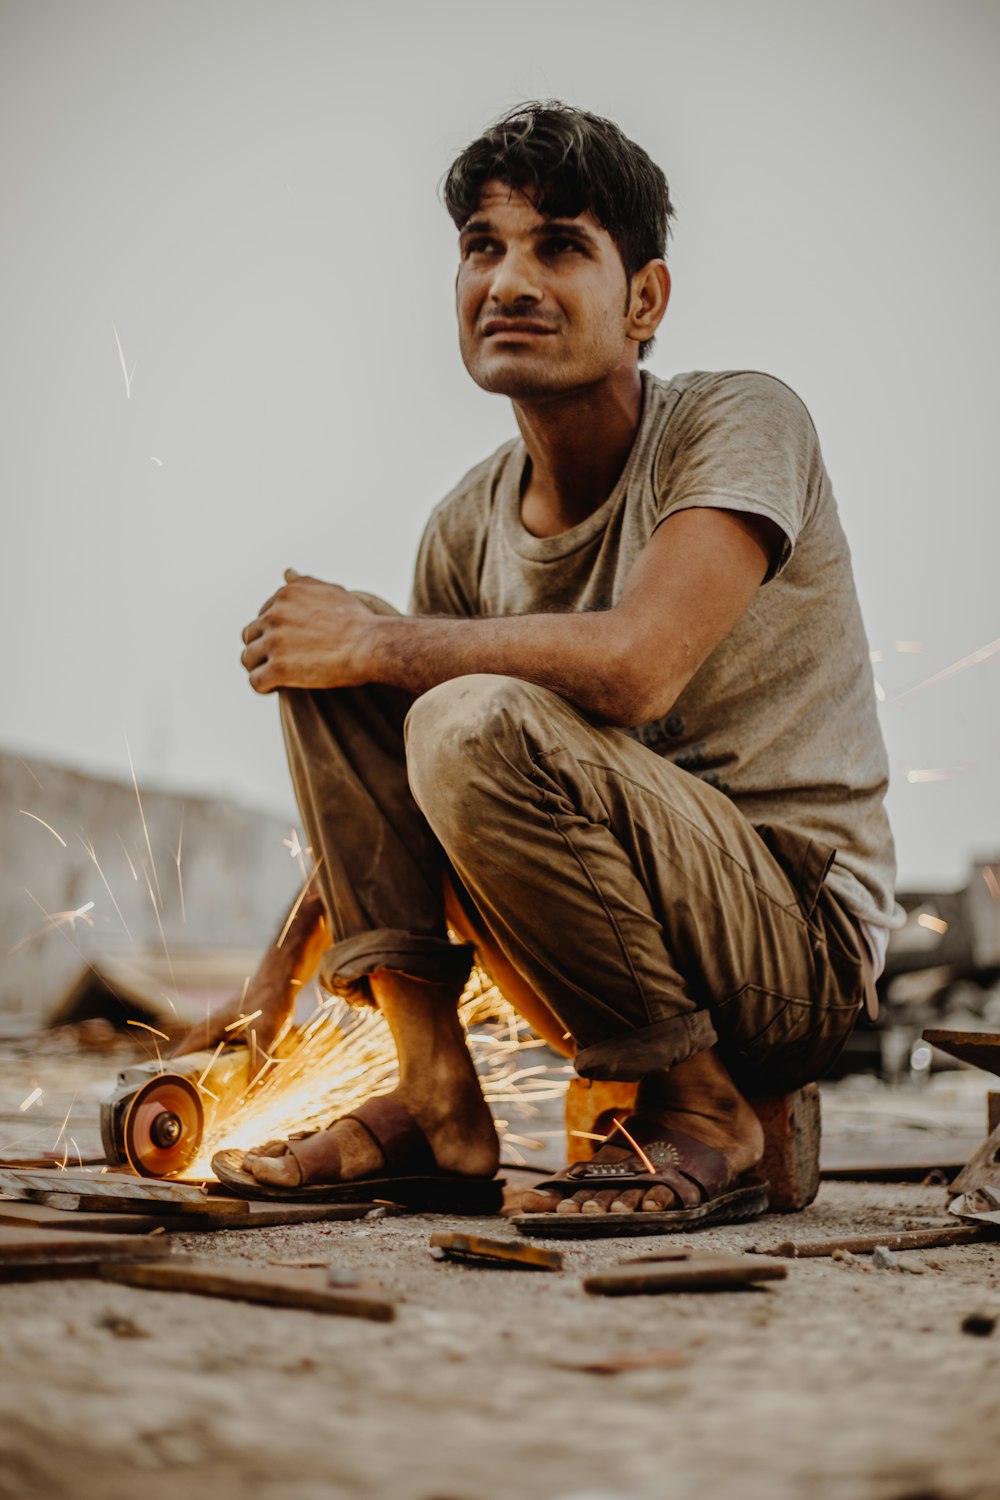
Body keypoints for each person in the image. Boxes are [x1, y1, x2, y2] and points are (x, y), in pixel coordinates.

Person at [192, 102, 899, 1229]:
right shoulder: (464, 526)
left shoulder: (738, 423)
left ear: (644, 299)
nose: (509, 281)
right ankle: (435, 1101)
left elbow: (636, 670)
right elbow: (394, 787)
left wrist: (380, 641)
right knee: (335, 662)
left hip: (788, 953)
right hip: (584, 948)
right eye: (484, 247)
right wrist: (264, 993)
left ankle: (706, 1107)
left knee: (427, 684)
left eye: (559, 246)